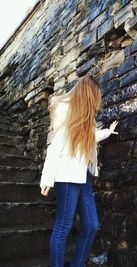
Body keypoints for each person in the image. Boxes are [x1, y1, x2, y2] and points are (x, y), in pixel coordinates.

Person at [39, 74, 118, 267]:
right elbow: (55, 147)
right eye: (96, 95)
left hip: (83, 177)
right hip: (67, 177)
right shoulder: (66, 111)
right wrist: (47, 178)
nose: (98, 100)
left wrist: (107, 132)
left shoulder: (86, 116)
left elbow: (88, 138)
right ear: (89, 94)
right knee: (63, 227)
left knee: (91, 226)